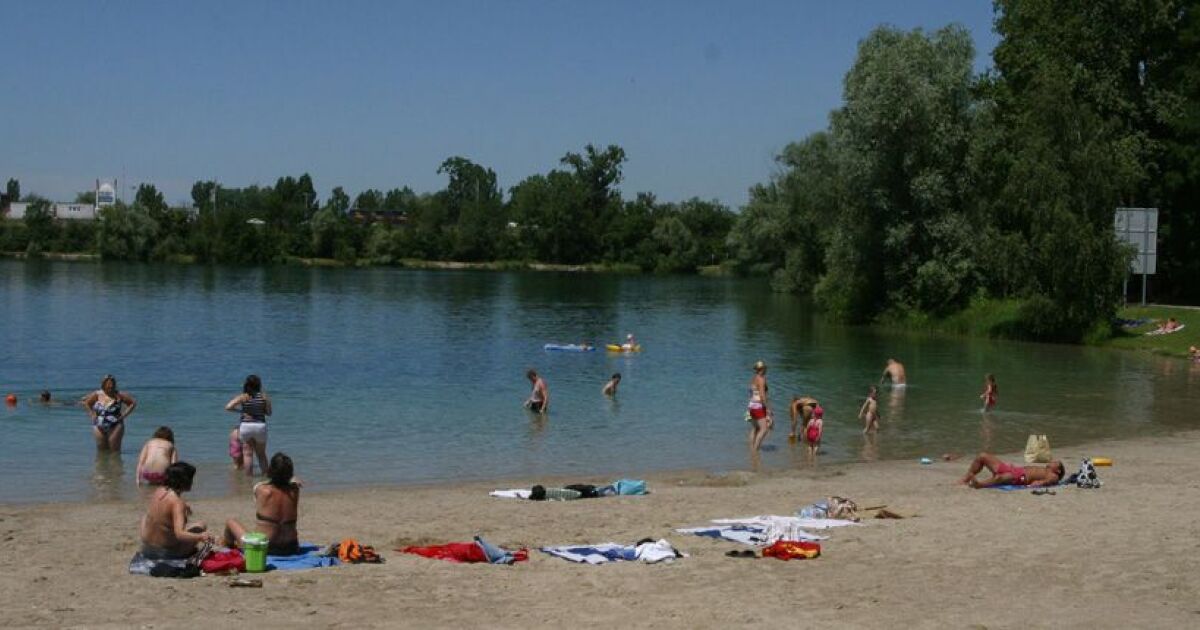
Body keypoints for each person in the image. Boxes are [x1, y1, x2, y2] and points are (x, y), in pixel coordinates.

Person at [224, 452, 301, 556]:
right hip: (291, 547)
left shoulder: (261, 489)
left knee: (230, 522)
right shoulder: (295, 491)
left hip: (264, 548)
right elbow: (293, 483)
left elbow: (265, 483)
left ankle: (226, 546)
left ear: (271, 470)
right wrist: (292, 479)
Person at [139, 462, 215, 559]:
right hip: (165, 553)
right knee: (201, 526)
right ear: (184, 481)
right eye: (191, 479)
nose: (192, 482)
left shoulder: (158, 491)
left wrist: (184, 506)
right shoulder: (177, 503)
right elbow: (180, 534)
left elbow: (164, 508)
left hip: (146, 548)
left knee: (148, 518)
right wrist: (201, 537)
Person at [225, 374, 272, 477]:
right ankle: (266, 477)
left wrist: (241, 411)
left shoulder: (244, 396)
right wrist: (262, 410)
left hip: (246, 426)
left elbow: (228, 407)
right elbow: (269, 413)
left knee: (247, 454)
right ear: (259, 384)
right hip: (260, 426)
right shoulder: (264, 397)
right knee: (261, 454)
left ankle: (248, 479)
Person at [83, 374, 137, 452]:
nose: (110, 387)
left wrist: (124, 415)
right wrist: (92, 414)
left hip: (115, 425)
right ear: (103, 385)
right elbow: (87, 403)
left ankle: (115, 460)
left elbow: (133, 403)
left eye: (112, 385)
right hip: (99, 424)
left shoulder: (119, 395)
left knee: (114, 451)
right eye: (108, 385)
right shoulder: (97, 394)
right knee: (101, 451)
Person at [959, 453, 1065, 488]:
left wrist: (1039, 483)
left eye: (1055, 462)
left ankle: (980, 485)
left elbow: (1046, 481)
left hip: (1020, 477)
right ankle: (965, 479)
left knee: (999, 478)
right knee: (982, 456)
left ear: (1058, 470)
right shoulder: (1044, 469)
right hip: (1013, 470)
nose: (1052, 461)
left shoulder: (1054, 475)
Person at [746, 360, 771, 451]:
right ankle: (755, 451)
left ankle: (751, 449)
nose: (766, 370)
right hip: (758, 406)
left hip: (751, 405)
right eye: (765, 368)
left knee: (755, 428)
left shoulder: (754, 378)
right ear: (763, 369)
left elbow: (750, 392)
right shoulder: (761, 379)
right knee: (764, 429)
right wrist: (767, 408)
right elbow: (762, 395)